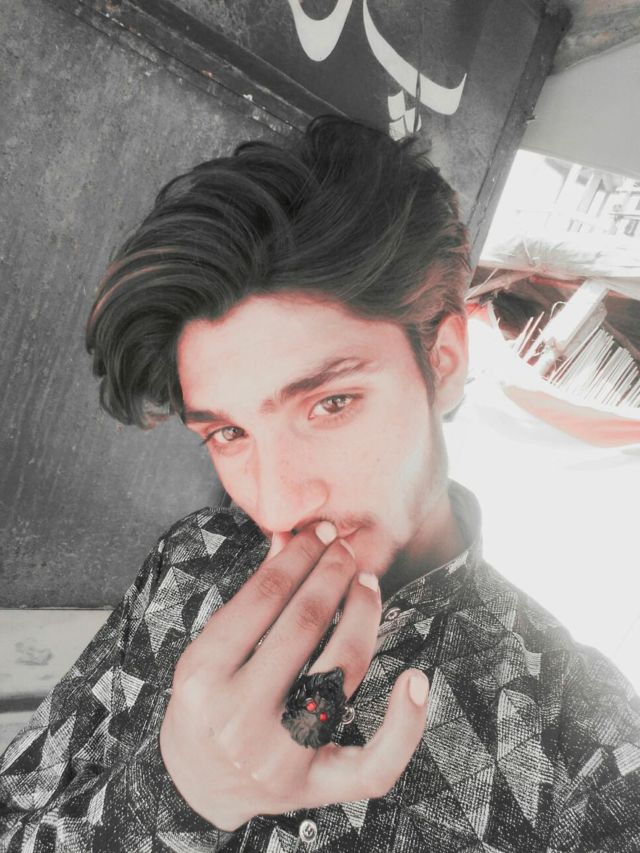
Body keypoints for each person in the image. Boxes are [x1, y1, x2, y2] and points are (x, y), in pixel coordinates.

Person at [1, 115, 639, 852]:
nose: (277, 503)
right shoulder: (194, 558)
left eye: (331, 403)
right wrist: (174, 798)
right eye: (229, 433)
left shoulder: (588, 744)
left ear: (443, 361)